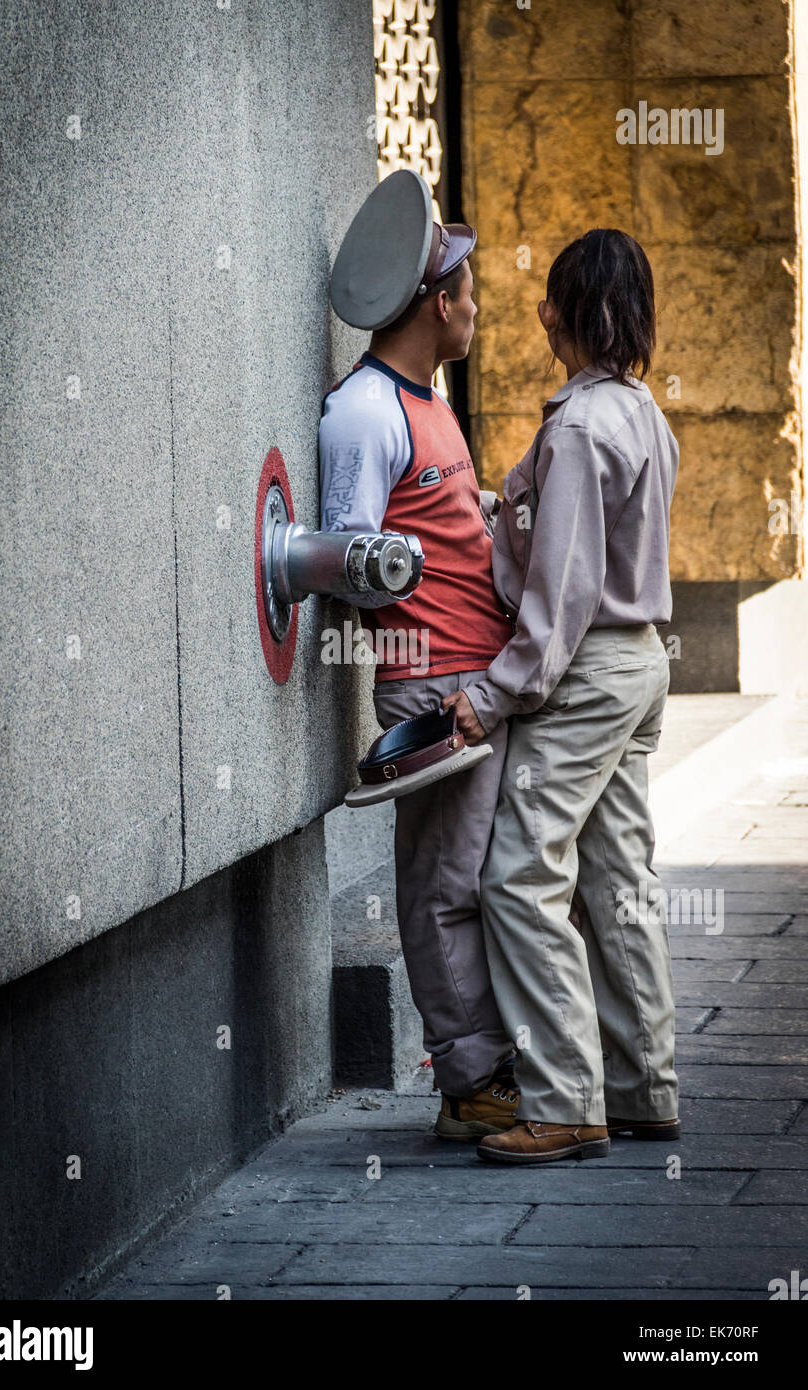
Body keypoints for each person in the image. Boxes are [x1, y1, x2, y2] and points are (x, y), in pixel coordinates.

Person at [442, 227, 681, 1164]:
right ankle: (643, 1087)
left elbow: (563, 595)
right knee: (619, 878)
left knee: (519, 877)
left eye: (549, 301)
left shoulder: (580, 428)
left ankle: (565, 1099)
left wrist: (494, 695)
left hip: (584, 674)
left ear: (566, 314)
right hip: (641, 661)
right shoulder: (643, 414)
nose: (538, 314)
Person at [320, 169, 518, 1139]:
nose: (476, 306)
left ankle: (498, 1064)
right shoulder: (363, 410)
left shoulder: (424, 401)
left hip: (481, 679)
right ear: (439, 304)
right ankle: (470, 1086)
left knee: (486, 881)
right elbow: (351, 563)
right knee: (444, 890)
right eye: (469, 292)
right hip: (435, 688)